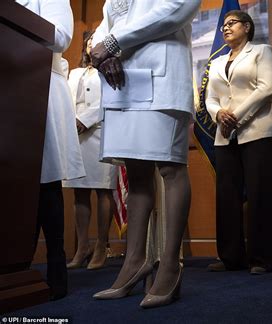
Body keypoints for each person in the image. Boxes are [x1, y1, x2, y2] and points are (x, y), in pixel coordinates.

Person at [89, 0, 201, 308]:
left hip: (161, 71)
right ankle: (134, 261)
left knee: (170, 168)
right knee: (136, 173)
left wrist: (113, 42)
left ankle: (169, 265)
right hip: (123, 77)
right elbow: (107, 20)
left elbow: (182, 7)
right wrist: (100, 51)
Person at [16, 0, 85, 300]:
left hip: (40, 87)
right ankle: (16, 266)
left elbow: (60, 37)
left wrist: (14, 21)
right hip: (10, 92)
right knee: (14, 185)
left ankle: (57, 269)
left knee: (45, 182)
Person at [205, 10, 272, 274]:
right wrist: (218, 114)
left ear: (247, 27)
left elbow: (266, 88)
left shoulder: (261, 51)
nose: (225, 28)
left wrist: (234, 115)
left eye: (231, 23)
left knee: (259, 194)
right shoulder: (216, 62)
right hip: (224, 134)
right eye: (223, 25)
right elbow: (210, 98)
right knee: (227, 195)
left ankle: (261, 259)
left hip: (257, 130)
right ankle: (231, 257)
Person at [63, 31, 118, 271]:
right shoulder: (74, 73)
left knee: (103, 190)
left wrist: (85, 118)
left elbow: (111, 99)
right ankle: (82, 246)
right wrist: (70, 121)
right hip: (75, 135)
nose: (90, 45)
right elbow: (65, 100)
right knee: (79, 192)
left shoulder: (111, 69)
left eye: (96, 41)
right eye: (88, 42)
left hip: (100, 132)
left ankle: (102, 245)